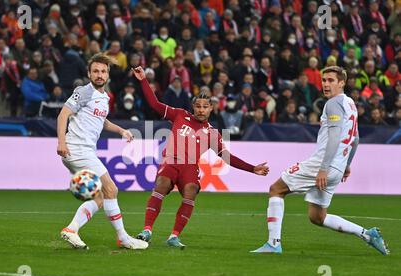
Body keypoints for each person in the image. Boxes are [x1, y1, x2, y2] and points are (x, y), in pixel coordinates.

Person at [251, 66, 390, 255]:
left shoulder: (333, 103)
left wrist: (324, 169)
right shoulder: (350, 104)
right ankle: (367, 234)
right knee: (317, 216)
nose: (325, 84)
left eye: (331, 80)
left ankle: (273, 244)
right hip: (338, 167)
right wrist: (347, 164)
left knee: (276, 189)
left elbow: (334, 137)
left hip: (323, 164)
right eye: (324, 80)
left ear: (342, 83)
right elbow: (355, 137)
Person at [132, 66, 269, 249]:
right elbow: (155, 104)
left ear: (211, 108)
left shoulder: (212, 133)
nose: (201, 110)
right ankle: (147, 230)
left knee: (191, 191)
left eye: (205, 107)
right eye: (198, 106)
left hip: (189, 167)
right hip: (172, 161)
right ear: (193, 107)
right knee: (162, 184)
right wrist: (143, 80)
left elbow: (227, 157)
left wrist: (252, 168)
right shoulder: (180, 115)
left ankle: (174, 236)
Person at [57, 53, 148, 250]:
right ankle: (123, 238)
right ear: (89, 73)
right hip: (78, 149)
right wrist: (61, 142)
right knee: (111, 189)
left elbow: (102, 121)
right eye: (96, 71)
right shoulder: (84, 91)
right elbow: (63, 114)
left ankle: (72, 229)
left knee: (99, 198)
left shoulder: (104, 97)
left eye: (103, 71)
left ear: (108, 75)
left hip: (83, 151)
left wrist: (121, 130)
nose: (100, 75)